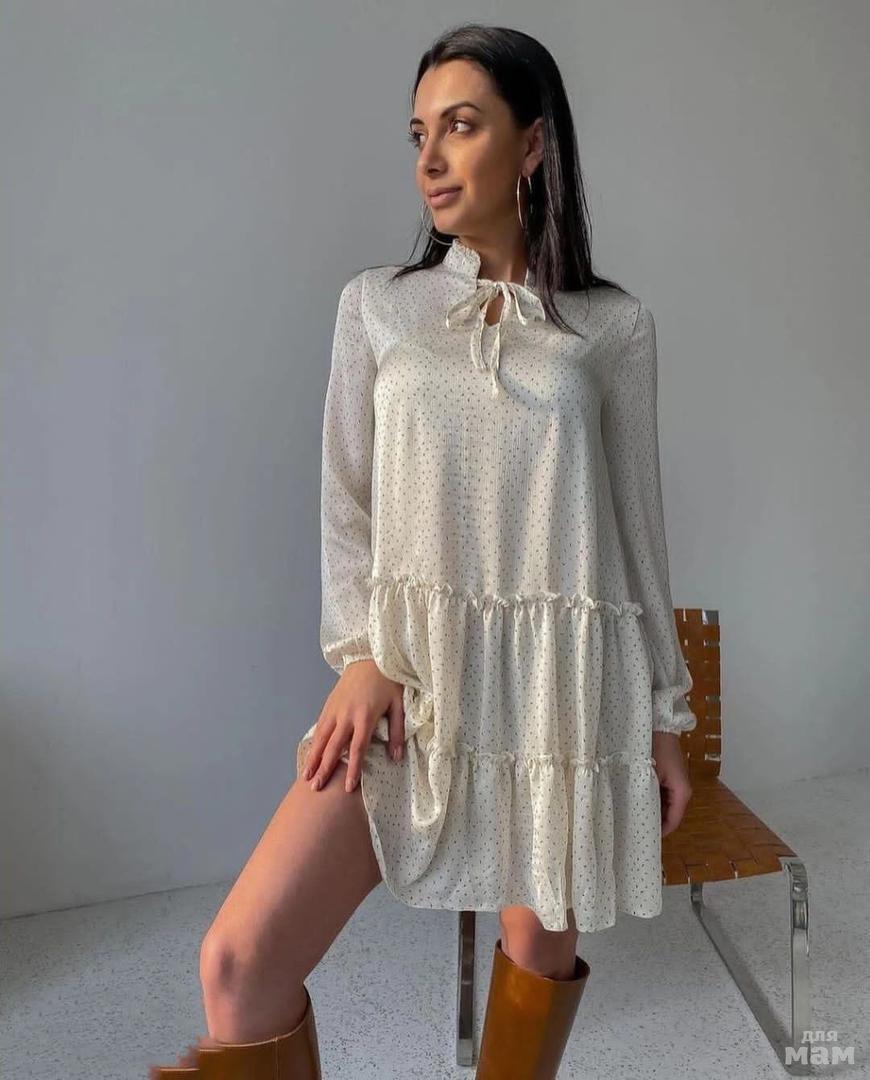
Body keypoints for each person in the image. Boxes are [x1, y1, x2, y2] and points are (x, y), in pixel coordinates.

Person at [149, 21, 695, 1080]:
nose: (431, 159)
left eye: (461, 126)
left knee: (537, 950)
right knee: (238, 964)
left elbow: (637, 535)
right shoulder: (378, 308)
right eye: (418, 134)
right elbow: (345, 500)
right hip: (411, 687)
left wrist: (665, 719)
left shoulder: (612, 328)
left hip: (556, 701)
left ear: (532, 145)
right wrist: (363, 654)